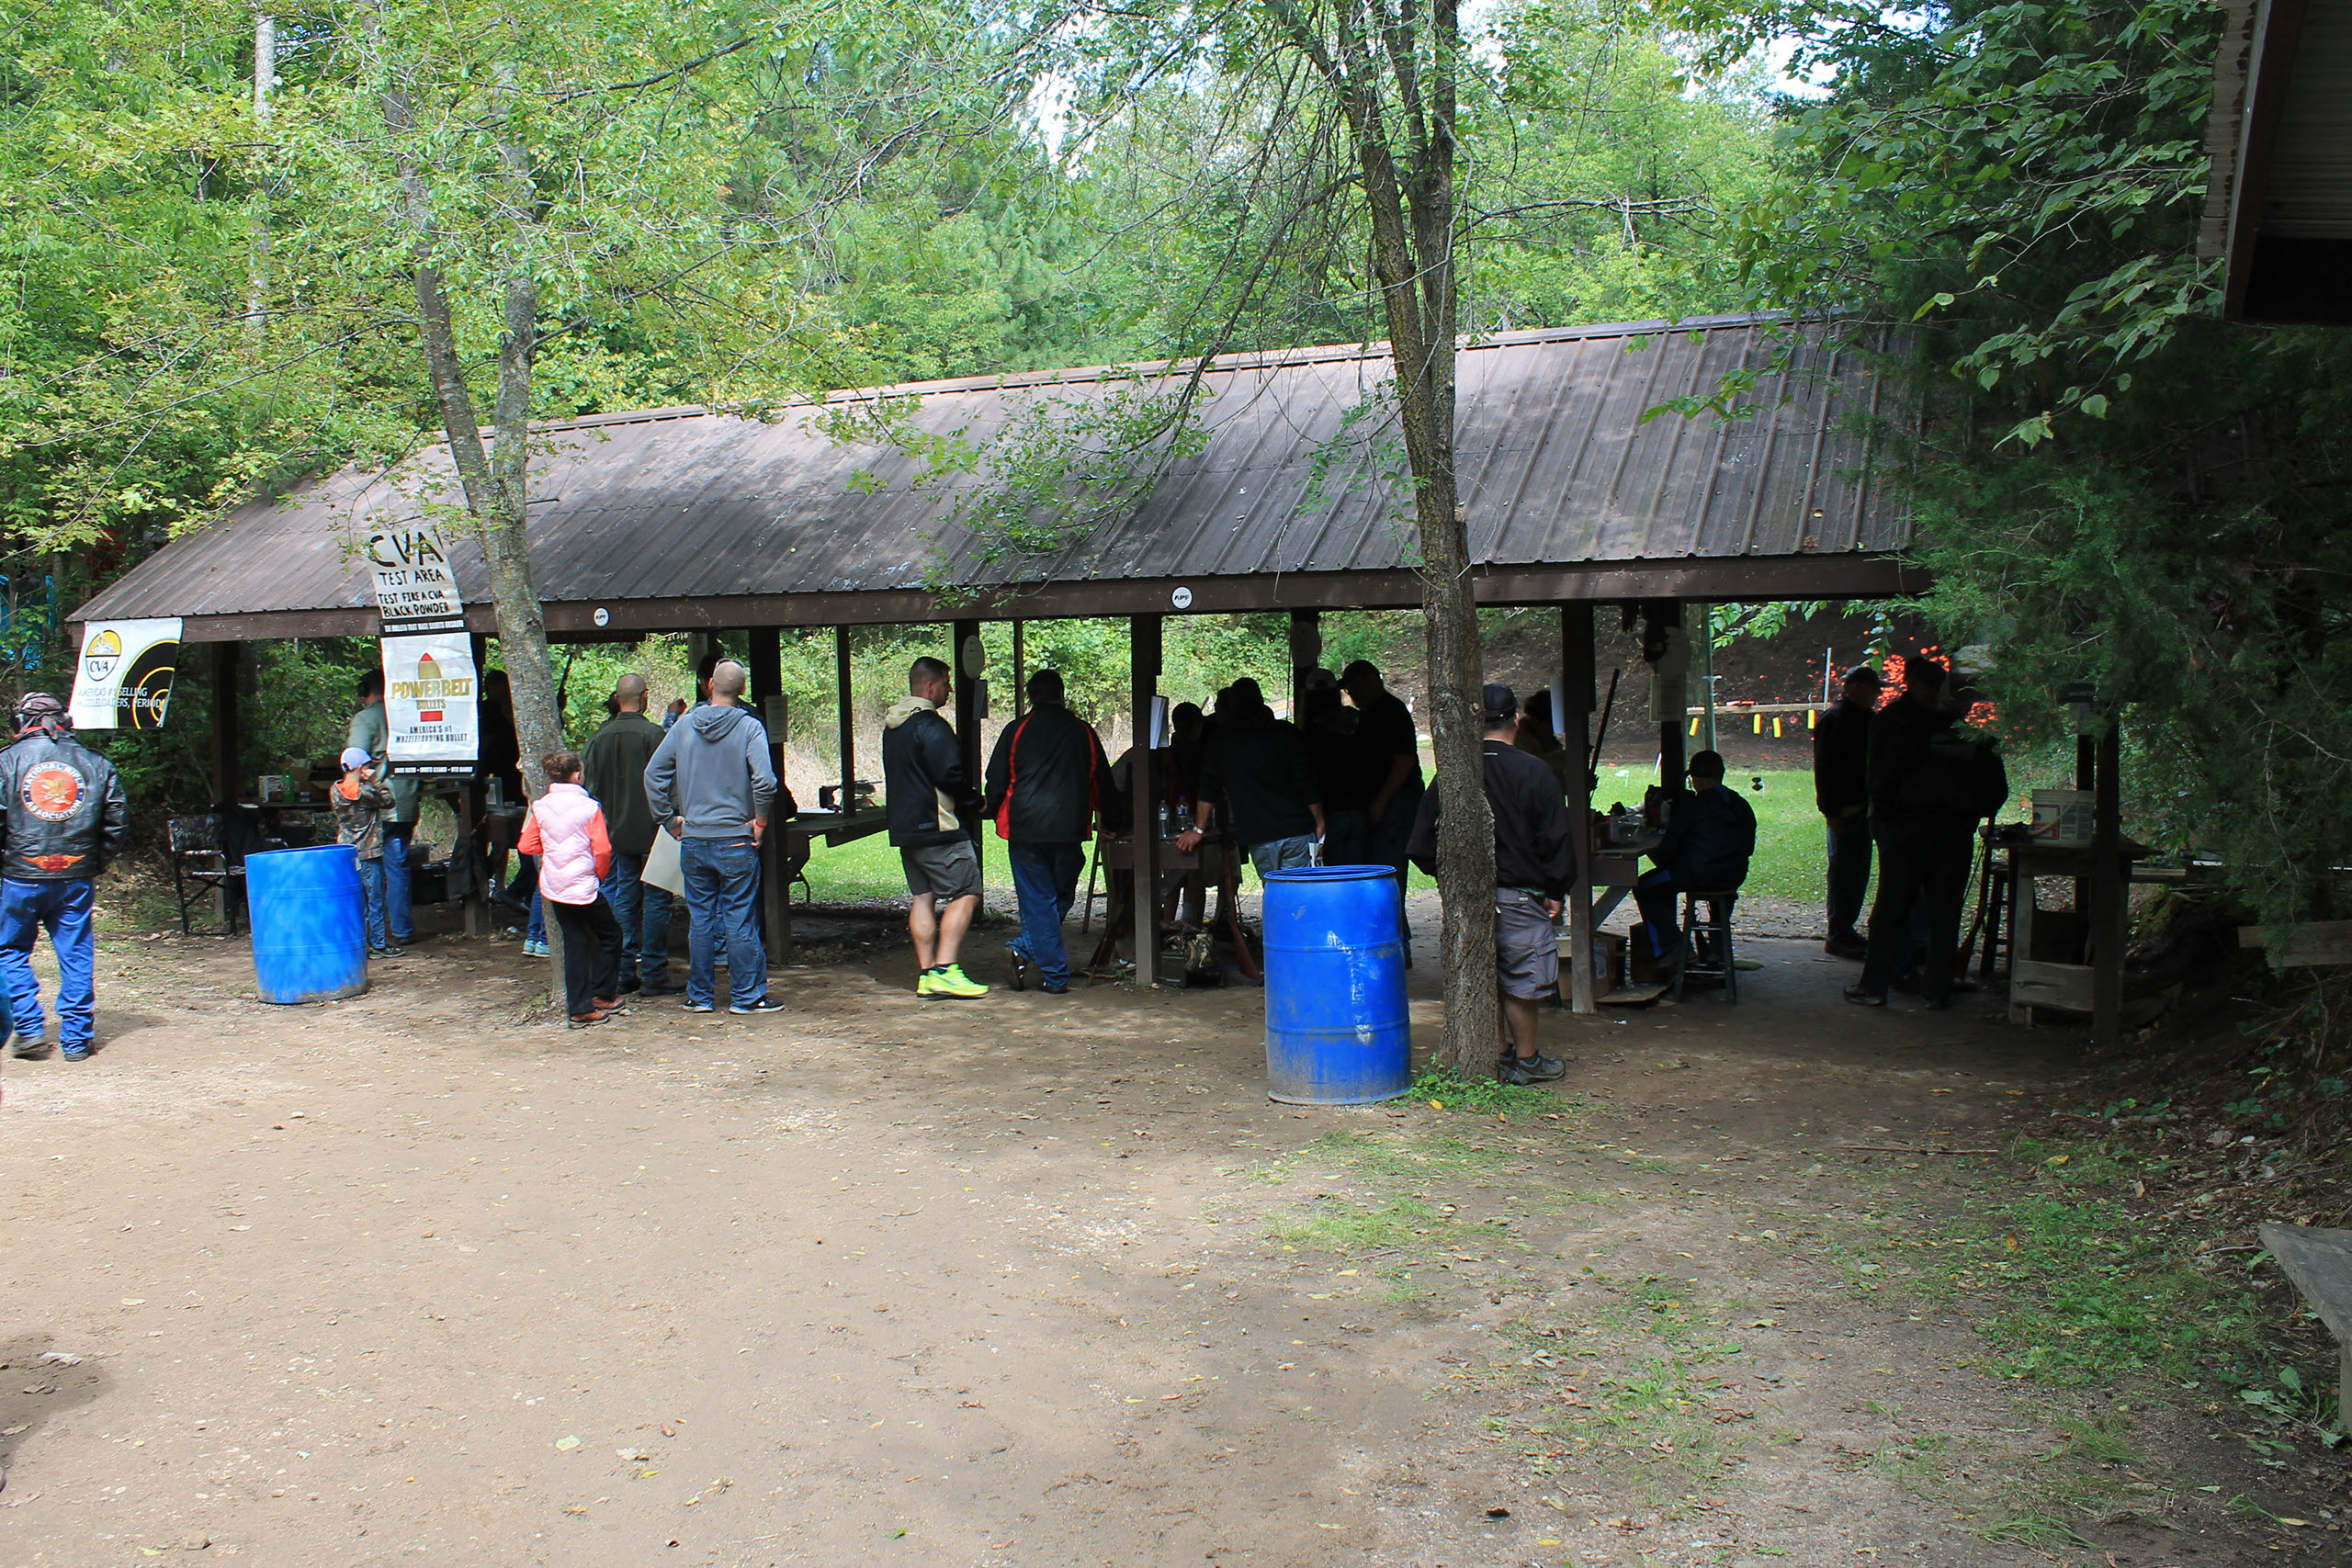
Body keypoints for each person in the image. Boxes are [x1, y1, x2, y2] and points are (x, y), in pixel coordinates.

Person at [1406, 684, 1577, 1085]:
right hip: (1521, 896)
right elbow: (1556, 838)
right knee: (1521, 979)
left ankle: (1495, 1055)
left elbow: (1419, 844)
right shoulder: (1535, 771)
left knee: (1481, 975)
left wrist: (1450, 879)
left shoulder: (1453, 776)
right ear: (1517, 719)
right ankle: (1527, 1060)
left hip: (1468, 900)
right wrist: (1556, 890)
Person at [1847, 658, 2008, 1010]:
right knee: (1940, 912)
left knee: (1896, 910)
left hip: (1909, 828)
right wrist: (1971, 810)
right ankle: (1936, 989)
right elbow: (1994, 786)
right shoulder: (1960, 728)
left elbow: (1878, 777)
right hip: (1947, 829)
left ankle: (1877, 985)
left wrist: (1886, 819)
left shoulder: (1892, 722)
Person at [643, 659, 782, 1016]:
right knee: (739, 917)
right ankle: (747, 996)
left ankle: (700, 996)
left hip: (693, 838)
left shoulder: (684, 725)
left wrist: (668, 820)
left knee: (701, 919)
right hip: (736, 838)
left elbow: (653, 774)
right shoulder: (749, 727)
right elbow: (765, 781)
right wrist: (761, 821)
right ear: (743, 689)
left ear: (709, 685)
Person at [0, 694, 129, 1063]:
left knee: (9, 951)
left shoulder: (6, 762)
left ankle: (29, 1029)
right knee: (76, 954)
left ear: (22, 722)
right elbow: (117, 823)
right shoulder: (97, 763)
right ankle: (76, 1040)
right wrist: (92, 862)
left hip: (20, 875)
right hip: (75, 876)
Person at [983, 668, 1109, 995]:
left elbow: (996, 778)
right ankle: (1053, 974)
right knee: (1059, 896)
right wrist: (1111, 819)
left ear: (1030, 697)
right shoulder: (1083, 731)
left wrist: (993, 808)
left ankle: (1025, 949)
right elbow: (1101, 779)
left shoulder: (1017, 729)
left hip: (1025, 828)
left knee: (1040, 900)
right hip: (1069, 829)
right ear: (1061, 694)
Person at [882, 655, 988, 999]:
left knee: (923, 898)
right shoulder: (932, 725)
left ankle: (927, 973)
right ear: (930, 686)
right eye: (945, 683)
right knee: (967, 892)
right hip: (938, 827)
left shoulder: (893, 726)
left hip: (905, 829)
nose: (949, 690)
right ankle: (946, 969)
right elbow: (949, 775)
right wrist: (975, 801)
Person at [582, 672, 675, 995]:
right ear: (645, 697)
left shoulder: (599, 738)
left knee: (625, 896)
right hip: (654, 830)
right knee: (657, 899)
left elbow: (589, 788)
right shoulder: (654, 735)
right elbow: (668, 782)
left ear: (616, 698)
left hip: (616, 831)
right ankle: (653, 973)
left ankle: (622, 971)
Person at [519, 750, 627, 1027]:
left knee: (574, 940)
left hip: (554, 885)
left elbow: (526, 845)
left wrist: (552, 852)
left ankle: (581, 1003)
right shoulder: (589, 807)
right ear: (577, 774)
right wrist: (599, 875)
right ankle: (599, 996)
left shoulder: (541, 806)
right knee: (611, 934)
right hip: (583, 883)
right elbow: (602, 850)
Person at [1176, 677, 1324, 877]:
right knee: (1300, 888)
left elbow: (1208, 787)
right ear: (1261, 700)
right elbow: (1306, 780)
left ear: (1233, 705)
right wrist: (1319, 819)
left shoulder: (1222, 742)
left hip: (1260, 833)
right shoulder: (1287, 733)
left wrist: (1198, 829)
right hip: (1297, 828)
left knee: (1274, 888)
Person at [1632, 750, 1758, 973]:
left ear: (1696, 779)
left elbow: (1669, 848)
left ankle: (1674, 948)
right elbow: (1748, 848)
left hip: (1697, 874)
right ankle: (1716, 946)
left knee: (1645, 887)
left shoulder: (1693, 807)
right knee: (1717, 889)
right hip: (1734, 875)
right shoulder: (1741, 804)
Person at [346, 669, 419, 947]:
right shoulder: (406, 716)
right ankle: (402, 929)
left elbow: (354, 762)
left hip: (378, 808)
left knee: (370, 869)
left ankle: (373, 934)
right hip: (407, 800)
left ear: (364, 690)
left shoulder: (365, 719)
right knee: (398, 867)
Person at [1814, 665, 1882, 959]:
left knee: (1856, 871)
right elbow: (1825, 768)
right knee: (1845, 872)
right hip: (1846, 808)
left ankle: (1844, 929)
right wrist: (1830, 811)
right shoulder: (1838, 719)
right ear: (1855, 687)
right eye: (1872, 687)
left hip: (1861, 807)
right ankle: (1839, 932)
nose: (1877, 693)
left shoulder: (1864, 718)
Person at [1340, 659, 1425, 887]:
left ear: (1371, 680)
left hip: (1396, 800)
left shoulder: (1391, 712)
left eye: (1354, 687)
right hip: (1382, 799)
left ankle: (1393, 912)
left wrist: (1381, 801)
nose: (1351, 693)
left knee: (1388, 869)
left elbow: (1403, 761)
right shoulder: (1370, 713)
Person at [333, 744, 402, 958]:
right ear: (360, 767)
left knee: (354, 900)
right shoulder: (366, 791)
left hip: (346, 852)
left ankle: (358, 944)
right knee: (375, 900)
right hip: (369, 853)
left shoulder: (335, 791)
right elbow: (389, 801)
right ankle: (379, 944)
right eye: (367, 765)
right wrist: (374, 780)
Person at [1299, 670, 1374, 866]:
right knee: (1358, 871)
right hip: (1359, 808)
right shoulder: (1358, 721)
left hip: (1329, 812)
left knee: (1334, 874)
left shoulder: (1311, 733)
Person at [1514, 688, 1575, 795]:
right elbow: (1532, 766)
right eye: (1551, 724)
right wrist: (1570, 757)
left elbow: (1559, 786)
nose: (1553, 730)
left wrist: (1577, 786)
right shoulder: (1517, 740)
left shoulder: (1549, 742)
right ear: (1536, 719)